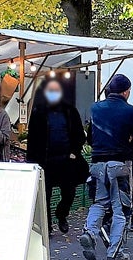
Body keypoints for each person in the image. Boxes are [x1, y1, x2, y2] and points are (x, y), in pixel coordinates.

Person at [80, 73, 133, 260]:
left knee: (99, 203)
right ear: (126, 91)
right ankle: (115, 252)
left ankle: (90, 232)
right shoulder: (130, 111)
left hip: (98, 164)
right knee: (121, 209)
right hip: (120, 165)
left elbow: (90, 137)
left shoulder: (95, 108)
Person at [26, 77, 87, 234]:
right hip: (45, 162)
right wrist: (32, 161)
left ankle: (62, 214)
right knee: (45, 196)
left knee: (69, 193)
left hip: (67, 162)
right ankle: (47, 227)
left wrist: (74, 152)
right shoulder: (38, 112)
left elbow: (80, 134)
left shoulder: (70, 111)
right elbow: (32, 139)